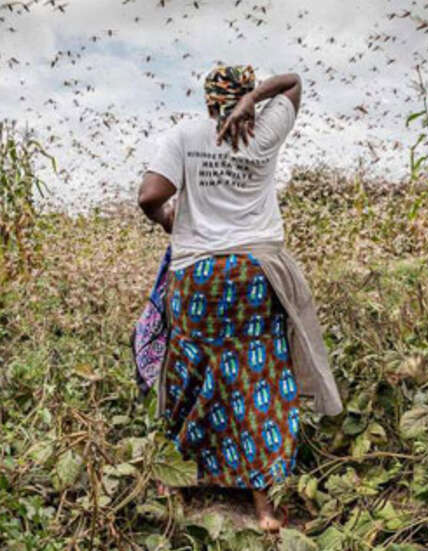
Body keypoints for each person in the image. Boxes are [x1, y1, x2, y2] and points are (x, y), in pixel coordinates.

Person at [137, 64, 342, 532]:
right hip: (254, 273)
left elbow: (150, 196)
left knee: (189, 368)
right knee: (258, 375)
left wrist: (172, 221)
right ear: (245, 96)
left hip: (198, 278)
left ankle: (178, 482)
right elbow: (293, 80)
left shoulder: (184, 135)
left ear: (209, 99)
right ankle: (265, 509)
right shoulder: (264, 129)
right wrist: (256, 101)